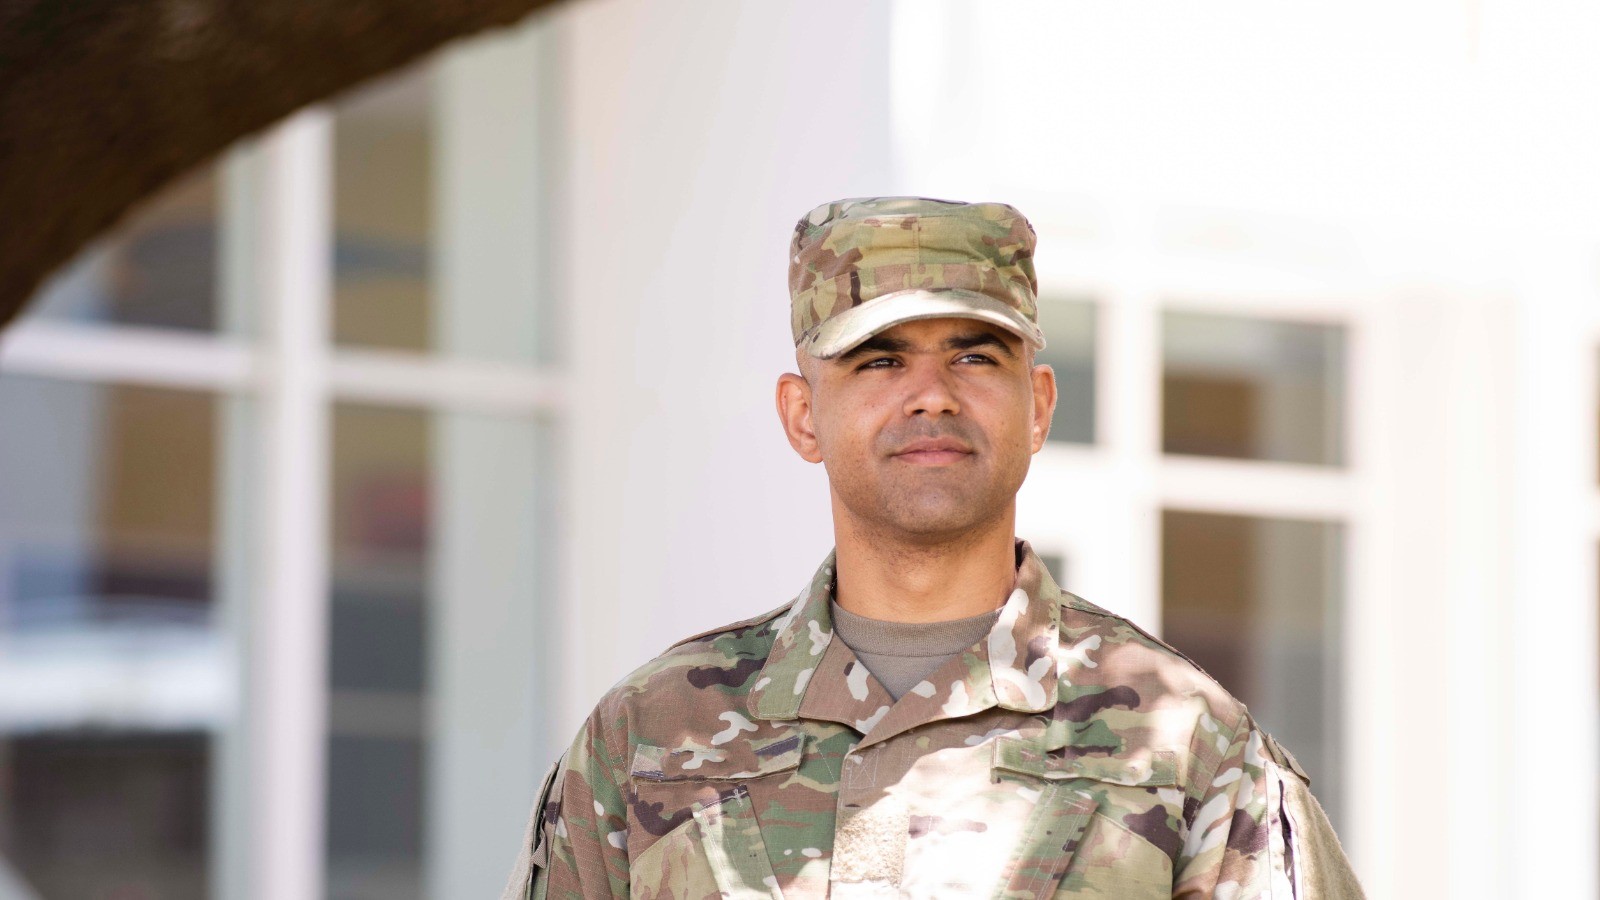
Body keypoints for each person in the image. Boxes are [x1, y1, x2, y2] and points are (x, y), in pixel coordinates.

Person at [500, 197, 1364, 899]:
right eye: (878, 361)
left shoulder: (1186, 745)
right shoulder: (649, 738)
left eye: (974, 356)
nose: (931, 396)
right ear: (804, 415)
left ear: (1038, 406)